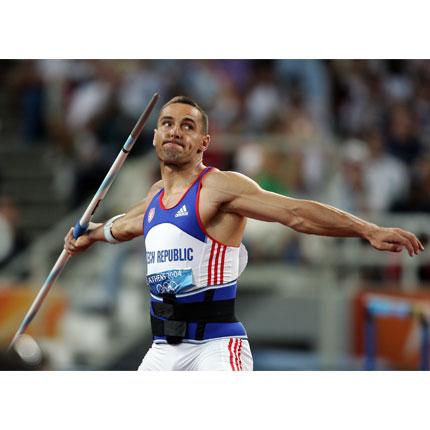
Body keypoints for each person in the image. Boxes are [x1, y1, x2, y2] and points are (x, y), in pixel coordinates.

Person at [64, 96, 424, 371]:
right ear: (156, 136)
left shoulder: (220, 187)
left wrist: (368, 229)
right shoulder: (155, 197)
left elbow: (296, 214)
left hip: (216, 350)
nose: (175, 130)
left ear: (204, 142)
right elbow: (125, 225)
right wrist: (91, 234)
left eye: (187, 126)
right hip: (162, 350)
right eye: (167, 123)